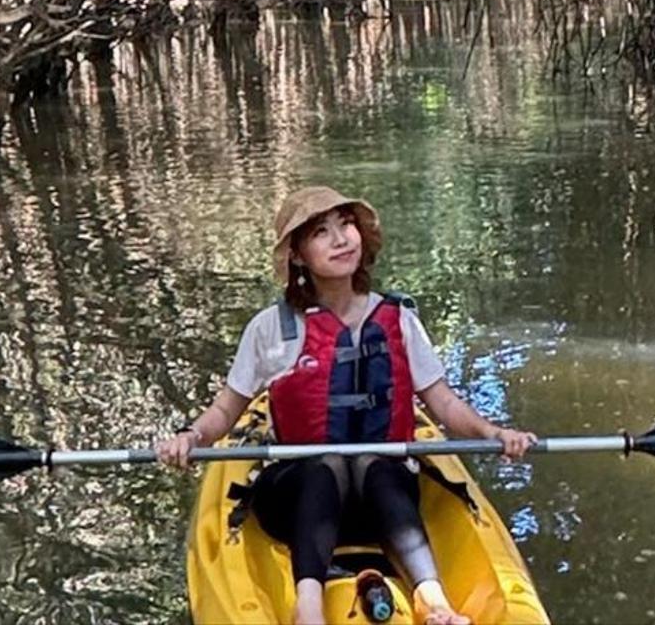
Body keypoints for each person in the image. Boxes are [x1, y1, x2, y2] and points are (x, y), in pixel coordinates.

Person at [157, 185, 536, 625]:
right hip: (298, 497)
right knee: (329, 463)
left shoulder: (400, 319)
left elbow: (444, 403)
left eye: (346, 225)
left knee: (377, 462)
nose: (341, 239)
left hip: (379, 502)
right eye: (321, 231)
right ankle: (309, 608)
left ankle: (434, 603)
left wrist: (494, 433)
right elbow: (226, 410)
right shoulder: (271, 329)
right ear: (298, 256)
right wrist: (192, 437)